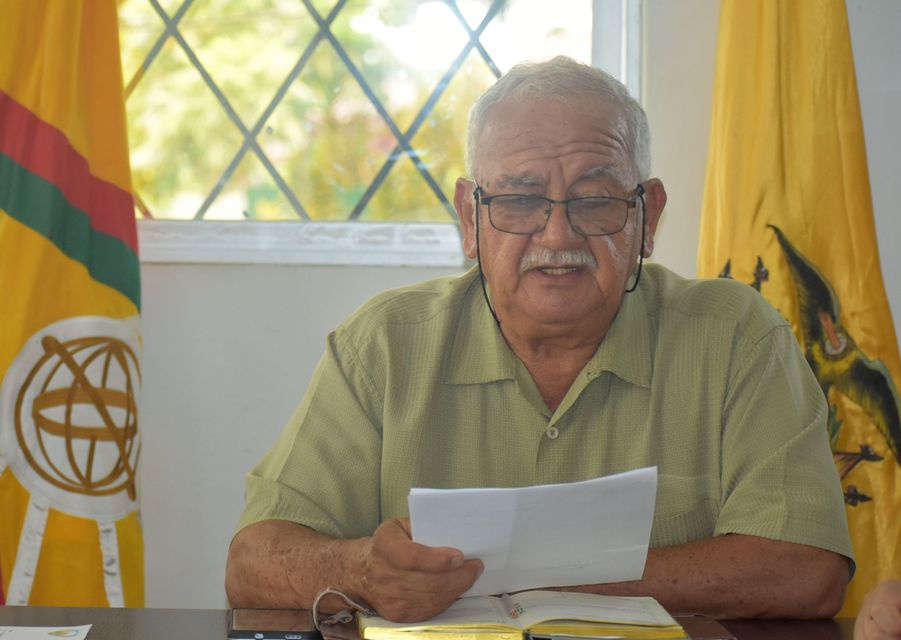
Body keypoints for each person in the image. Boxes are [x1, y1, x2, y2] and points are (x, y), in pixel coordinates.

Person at [225, 56, 853, 623]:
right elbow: (253, 563)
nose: (557, 236)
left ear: (648, 216)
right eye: (521, 199)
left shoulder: (737, 337)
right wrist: (362, 570)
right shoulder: (386, 345)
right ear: (469, 217)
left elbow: (806, 569)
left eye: (595, 199)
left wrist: (529, 580)